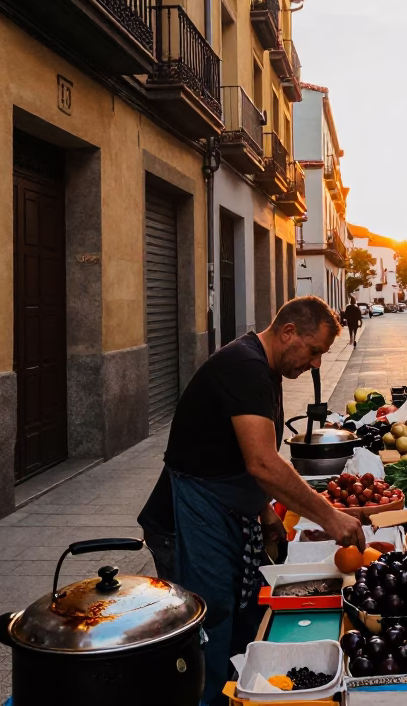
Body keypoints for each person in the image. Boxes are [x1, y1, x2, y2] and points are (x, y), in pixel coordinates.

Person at [138, 297, 366, 706]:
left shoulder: (263, 367)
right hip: (187, 517)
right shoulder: (244, 366)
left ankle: (234, 693)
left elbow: (235, 449)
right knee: (209, 624)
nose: (316, 364)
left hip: (225, 511)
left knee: (239, 619)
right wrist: (330, 517)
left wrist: (264, 511)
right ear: (289, 333)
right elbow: (262, 462)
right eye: (315, 351)